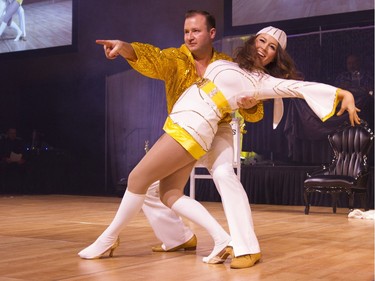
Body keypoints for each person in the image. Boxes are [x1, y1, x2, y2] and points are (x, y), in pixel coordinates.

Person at [78, 21, 360, 267]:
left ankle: (108, 239)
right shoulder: (225, 62)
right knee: (167, 193)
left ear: (276, 56)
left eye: (272, 47)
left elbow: (298, 88)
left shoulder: (262, 80)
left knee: (138, 178)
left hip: (195, 126)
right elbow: (159, 60)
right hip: (185, 122)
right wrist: (126, 48)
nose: (264, 47)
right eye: (262, 40)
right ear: (253, 42)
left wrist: (342, 94)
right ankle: (219, 238)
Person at [81, 10, 265, 270]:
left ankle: (244, 245)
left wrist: (249, 104)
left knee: (223, 174)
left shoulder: (225, 65)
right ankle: (182, 238)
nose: (190, 36)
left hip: (219, 133)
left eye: (196, 31)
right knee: (159, 191)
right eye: (186, 31)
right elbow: (153, 58)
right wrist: (125, 48)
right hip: (187, 132)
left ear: (212, 33)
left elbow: (254, 111)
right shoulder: (177, 59)